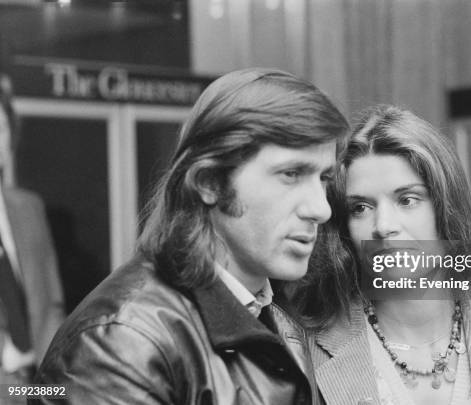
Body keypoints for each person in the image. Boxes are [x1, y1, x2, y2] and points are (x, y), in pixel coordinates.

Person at [34, 68, 348, 405]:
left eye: (324, 178)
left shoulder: (276, 310)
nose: (321, 209)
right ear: (210, 182)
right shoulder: (121, 340)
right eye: (291, 174)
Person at [294, 105, 471, 405]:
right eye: (360, 207)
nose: (384, 227)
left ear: (446, 207)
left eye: (407, 200)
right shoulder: (303, 347)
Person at [0, 73, 65, 405]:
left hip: (41, 384)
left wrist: (51, 381)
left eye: (0, 128)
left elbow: (52, 301)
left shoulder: (29, 207)